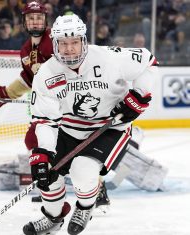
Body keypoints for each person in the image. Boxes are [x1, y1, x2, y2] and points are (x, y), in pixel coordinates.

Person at [22, 14, 158, 235]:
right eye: (63, 43)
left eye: (74, 42)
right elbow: (45, 120)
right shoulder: (46, 73)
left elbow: (148, 61)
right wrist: (43, 153)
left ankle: (86, 207)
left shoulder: (108, 57)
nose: (69, 49)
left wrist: (138, 96)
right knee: (47, 173)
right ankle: (54, 217)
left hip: (110, 127)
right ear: (55, 43)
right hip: (69, 128)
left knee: (82, 170)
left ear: (83, 41)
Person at [0, 0, 112, 211]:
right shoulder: (25, 50)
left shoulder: (57, 40)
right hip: (51, 105)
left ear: (45, 19)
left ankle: (86, 188)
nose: (35, 22)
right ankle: (56, 188)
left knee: (51, 142)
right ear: (24, 22)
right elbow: (28, 78)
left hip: (71, 104)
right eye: (31, 18)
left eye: (39, 18)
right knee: (36, 140)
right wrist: (4, 94)